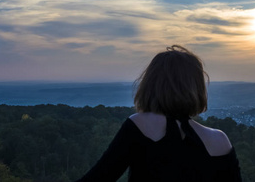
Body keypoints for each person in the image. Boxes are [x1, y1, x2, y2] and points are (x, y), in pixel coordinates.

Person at [76, 45, 242, 182]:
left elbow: (98, 177)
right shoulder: (220, 141)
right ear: (197, 88)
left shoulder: (140, 125)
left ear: (151, 84)